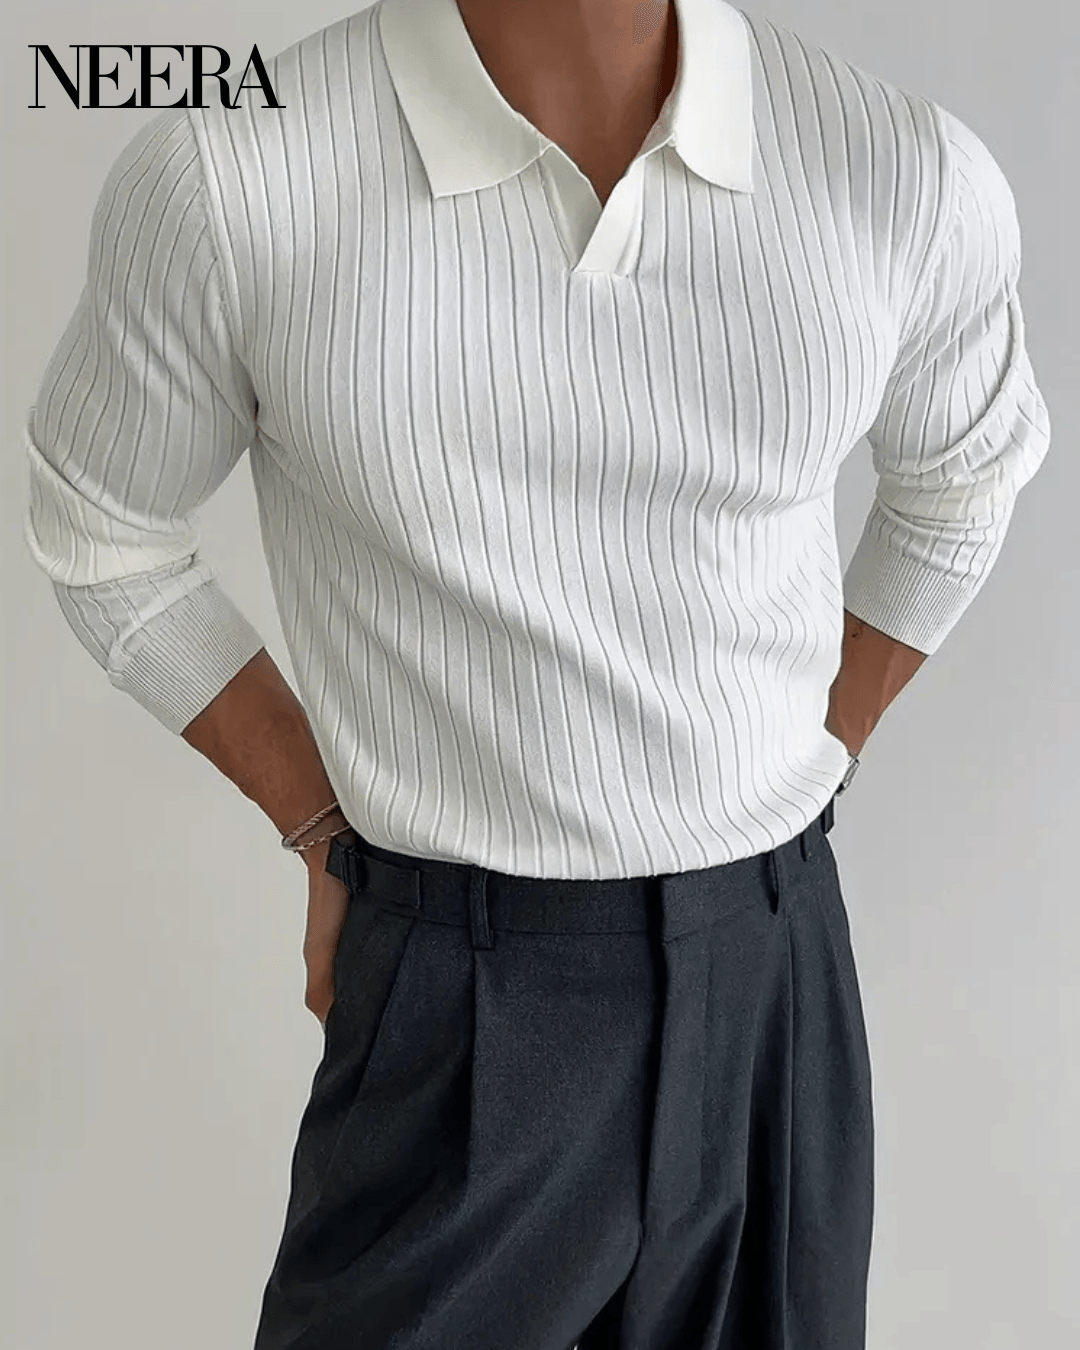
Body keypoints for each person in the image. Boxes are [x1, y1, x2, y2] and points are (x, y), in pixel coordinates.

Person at [22, 0, 1051, 1345]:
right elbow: (102, 525)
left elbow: (964, 480)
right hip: (459, 988)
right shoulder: (233, 173)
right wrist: (316, 820)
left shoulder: (901, 168)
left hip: (774, 984)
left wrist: (814, 757)